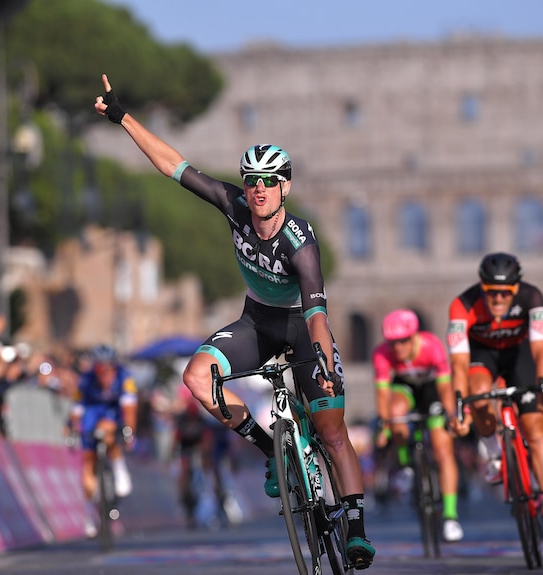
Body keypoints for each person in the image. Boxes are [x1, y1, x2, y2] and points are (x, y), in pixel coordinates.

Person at [94, 73, 375, 569]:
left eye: (268, 181)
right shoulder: (235, 205)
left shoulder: (300, 243)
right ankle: (272, 452)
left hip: (305, 329)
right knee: (196, 377)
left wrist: (327, 362)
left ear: (285, 185)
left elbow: (315, 314)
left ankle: (354, 523)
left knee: (332, 432)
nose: (258, 189)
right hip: (258, 323)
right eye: (251, 180)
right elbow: (173, 166)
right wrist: (122, 118)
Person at [444, 252, 543, 544]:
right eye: (491, 293)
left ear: (516, 288)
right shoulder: (462, 305)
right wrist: (460, 408)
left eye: (504, 293)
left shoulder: (533, 297)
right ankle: (493, 452)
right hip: (481, 355)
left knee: (536, 430)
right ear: (481, 286)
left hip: (520, 354)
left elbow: (541, 353)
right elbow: (459, 364)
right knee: (478, 393)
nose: (498, 299)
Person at [372, 308, 464, 542]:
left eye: (403, 341)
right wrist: (384, 427)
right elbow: (383, 395)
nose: (398, 348)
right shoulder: (383, 354)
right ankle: (406, 466)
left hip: (432, 390)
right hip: (405, 388)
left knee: (443, 450)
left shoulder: (431, 347)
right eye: (392, 343)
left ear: (414, 337)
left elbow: (445, 387)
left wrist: (451, 414)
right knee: (395, 413)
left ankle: (450, 516)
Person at [70, 344, 139, 537]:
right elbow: (77, 407)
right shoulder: (86, 379)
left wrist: (129, 432)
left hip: (113, 411)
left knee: (107, 429)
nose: (104, 374)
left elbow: (130, 408)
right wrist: (73, 426)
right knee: (88, 461)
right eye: (100, 369)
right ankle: (89, 515)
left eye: (108, 369)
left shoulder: (125, 377)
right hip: (92, 410)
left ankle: (118, 467)